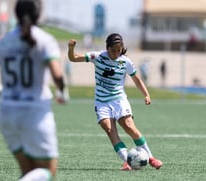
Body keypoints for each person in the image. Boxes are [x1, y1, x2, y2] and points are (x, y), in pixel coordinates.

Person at [0, 0, 68, 180]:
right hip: (35, 113)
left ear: (16, 15)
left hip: (6, 113)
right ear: (38, 15)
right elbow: (57, 75)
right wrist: (62, 92)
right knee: (48, 171)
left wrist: (0, 90)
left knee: (29, 172)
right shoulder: (45, 40)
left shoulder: (3, 41)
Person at [67, 33, 163, 171]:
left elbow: (137, 79)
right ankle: (128, 161)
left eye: (119, 50)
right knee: (110, 130)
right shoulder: (98, 57)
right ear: (107, 48)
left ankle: (151, 158)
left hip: (119, 100)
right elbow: (73, 58)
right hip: (102, 103)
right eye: (113, 50)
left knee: (129, 126)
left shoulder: (126, 61)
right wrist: (71, 48)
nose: (116, 53)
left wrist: (146, 94)